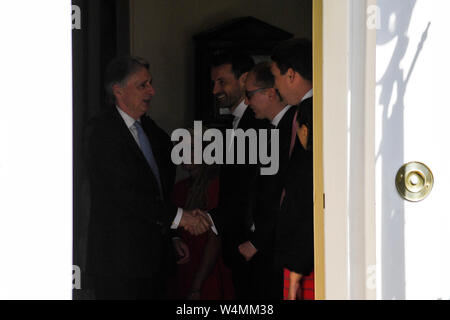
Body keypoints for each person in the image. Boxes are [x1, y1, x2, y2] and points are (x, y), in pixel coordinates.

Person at [85, 56, 212, 300]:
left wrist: (173, 234)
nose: (152, 91)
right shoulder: (100, 132)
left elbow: (160, 192)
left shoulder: (155, 133)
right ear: (118, 90)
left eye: (151, 83)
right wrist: (180, 218)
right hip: (119, 264)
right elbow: (123, 194)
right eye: (142, 85)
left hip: (155, 260)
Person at [209, 51, 269, 299]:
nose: (215, 90)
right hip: (240, 248)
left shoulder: (259, 123)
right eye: (213, 83)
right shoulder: (235, 124)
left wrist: (255, 240)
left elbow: (257, 188)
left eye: (222, 81)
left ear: (244, 79)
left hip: (253, 249)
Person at [240, 61, 297, 299]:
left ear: (270, 93)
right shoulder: (272, 129)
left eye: (249, 95)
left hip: (277, 248)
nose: (246, 102)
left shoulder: (293, 129)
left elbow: (288, 193)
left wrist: (257, 241)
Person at [271, 38, 314, 300]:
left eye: (275, 77)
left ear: (291, 74)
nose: (274, 88)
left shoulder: (310, 113)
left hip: (305, 252)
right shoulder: (307, 110)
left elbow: (307, 186)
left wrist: (298, 262)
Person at [169, 129, 235, 300]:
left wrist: (196, 287)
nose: (184, 152)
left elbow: (215, 239)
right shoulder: (180, 187)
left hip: (208, 272)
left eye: (191, 148)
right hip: (186, 268)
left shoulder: (216, 185)